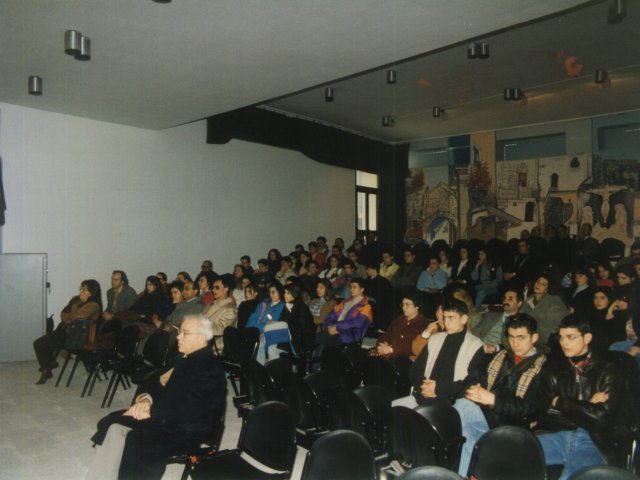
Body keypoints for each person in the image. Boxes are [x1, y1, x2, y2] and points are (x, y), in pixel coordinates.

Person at [87, 315, 226, 480]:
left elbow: (190, 409)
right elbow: (154, 381)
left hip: (186, 429)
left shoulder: (210, 368)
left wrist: (151, 412)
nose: (179, 337)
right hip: (165, 416)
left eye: (185, 333)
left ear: (201, 338)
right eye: (179, 331)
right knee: (114, 423)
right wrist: (146, 399)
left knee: (137, 440)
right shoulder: (183, 358)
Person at [454, 314, 546, 475]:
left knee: (462, 410)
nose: (515, 343)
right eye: (511, 337)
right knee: (466, 429)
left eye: (521, 338)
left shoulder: (543, 367)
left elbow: (530, 408)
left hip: (514, 425)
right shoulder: (500, 356)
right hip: (487, 415)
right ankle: (467, 476)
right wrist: (473, 391)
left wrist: (493, 399)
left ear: (534, 337)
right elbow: (474, 376)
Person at [535, 315, 625, 480]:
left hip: (594, 439)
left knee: (571, 477)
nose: (563, 342)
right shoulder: (553, 368)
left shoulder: (608, 370)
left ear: (587, 338)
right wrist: (587, 407)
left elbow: (602, 420)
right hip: (559, 434)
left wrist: (561, 403)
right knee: (515, 453)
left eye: (570, 337)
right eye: (561, 337)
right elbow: (542, 412)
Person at [393, 297, 484, 407]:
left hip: (450, 402)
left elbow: (471, 383)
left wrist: (438, 388)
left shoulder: (475, 345)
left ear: (464, 319)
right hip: (423, 395)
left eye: (451, 318)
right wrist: (424, 387)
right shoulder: (435, 339)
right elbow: (415, 370)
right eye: (445, 318)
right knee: (391, 409)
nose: (446, 322)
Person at [33, 279, 102, 384]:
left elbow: (79, 317)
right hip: (64, 331)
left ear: (92, 292)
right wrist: (70, 316)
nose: (81, 292)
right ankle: (48, 365)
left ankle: (46, 369)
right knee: (38, 343)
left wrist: (72, 310)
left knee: (43, 344)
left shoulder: (94, 305)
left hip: (77, 337)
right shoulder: (76, 299)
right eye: (81, 289)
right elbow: (63, 313)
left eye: (84, 290)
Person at [316, 278, 373, 350]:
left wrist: (337, 327)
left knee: (321, 341)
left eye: (354, 287)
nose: (351, 290)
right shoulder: (344, 302)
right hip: (335, 331)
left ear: (362, 289)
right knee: (322, 341)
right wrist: (329, 326)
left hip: (350, 334)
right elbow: (331, 316)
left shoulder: (366, 306)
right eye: (350, 287)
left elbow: (357, 323)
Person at [370, 293, 427, 360]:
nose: (403, 307)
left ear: (417, 307)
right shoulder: (400, 319)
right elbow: (387, 334)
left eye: (407, 304)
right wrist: (383, 344)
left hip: (403, 359)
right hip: (387, 353)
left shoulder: (422, 325)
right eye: (403, 304)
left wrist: (391, 349)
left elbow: (412, 348)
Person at [470, 289, 524, 354]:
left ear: (519, 303)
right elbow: (476, 331)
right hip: (480, 348)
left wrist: (495, 348)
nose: (505, 301)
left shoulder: (522, 322)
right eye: (504, 298)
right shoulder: (490, 315)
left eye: (510, 299)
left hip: (502, 353)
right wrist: (478, 345)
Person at [521, 274, 568, 346]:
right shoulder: (528, 300)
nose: (538, 285)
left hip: (546, 341)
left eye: (543, 284)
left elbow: (556, 325)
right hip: (526, 338)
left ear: (547, 289)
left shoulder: (554, 301)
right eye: (538, 282)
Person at [247, 282, 285, 364]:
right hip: (256, 332)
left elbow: (272, 321)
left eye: (273, 292)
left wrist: (256, 328)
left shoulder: (281, 306)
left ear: (280, 292)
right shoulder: (263, 304)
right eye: (270, 292)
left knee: (259, 345)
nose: (271, 295)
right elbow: (253, 317)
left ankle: (260, 369)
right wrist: (252, 329)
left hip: (267, 333)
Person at [202, 274, 238, 353]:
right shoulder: (210, 305)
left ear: (226, 289)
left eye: (217, 287)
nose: (213, 290)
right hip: (203, 341)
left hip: (216, 345)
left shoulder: (231, 309)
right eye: (212, 287)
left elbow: (221, 330)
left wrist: (199, 327)